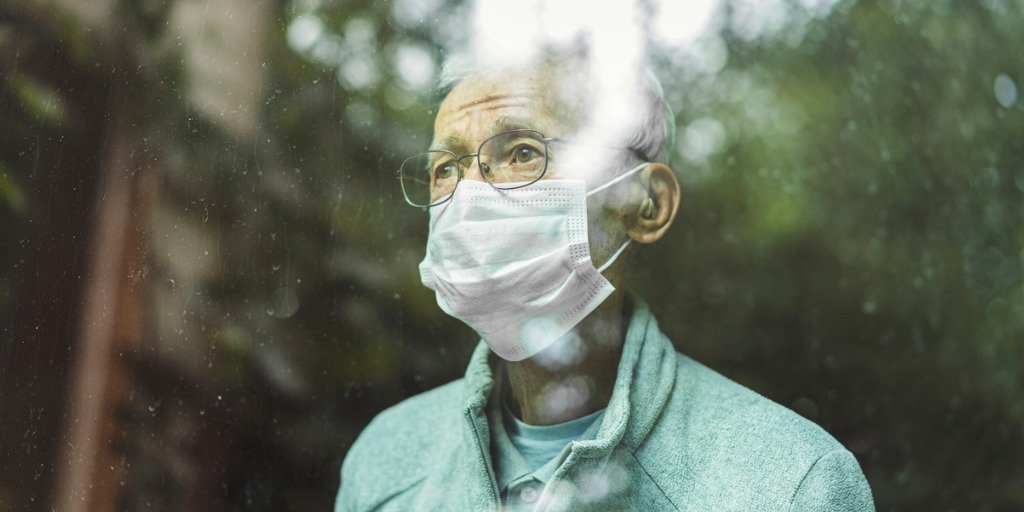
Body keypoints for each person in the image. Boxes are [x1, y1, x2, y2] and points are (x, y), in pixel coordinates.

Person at [335, 51, 875, 511]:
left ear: (646, 204)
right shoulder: (385, 461)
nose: (468, 195)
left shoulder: (789, 484)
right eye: (446, 168)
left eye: (522, 153)